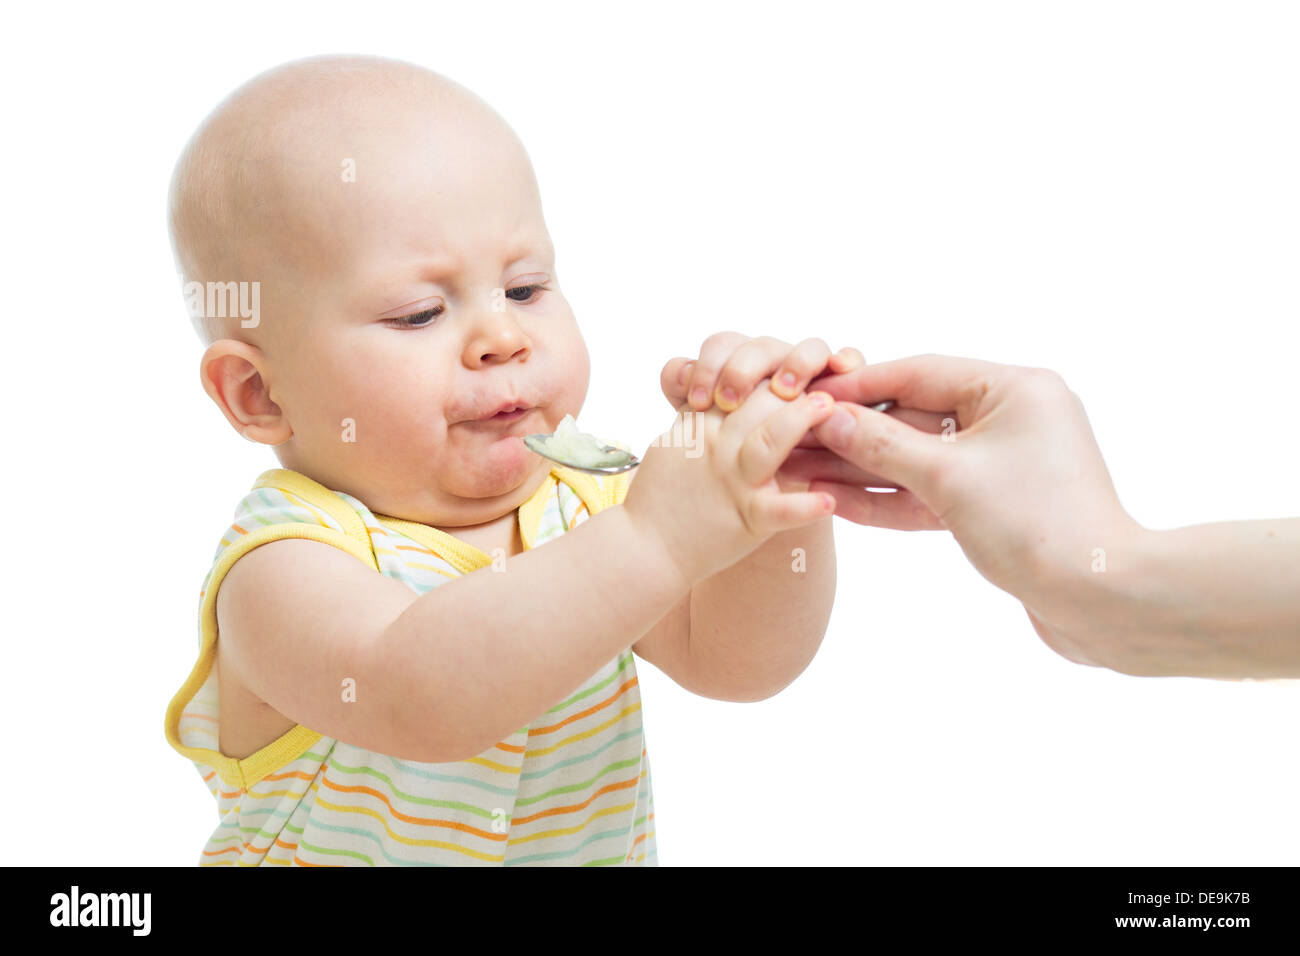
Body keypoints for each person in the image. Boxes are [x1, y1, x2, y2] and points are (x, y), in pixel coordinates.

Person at [162, 54, 847, 866]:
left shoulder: (587, 505)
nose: (504, 336)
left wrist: (771, 506)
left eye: (524, 289)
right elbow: (418, 697)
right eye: (420, 313)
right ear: (259, 394)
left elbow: (736, 663)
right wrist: (656, 541)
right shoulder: (281, 566)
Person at [662, 347, 1300, 680]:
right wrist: (649, 539)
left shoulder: (605, 493)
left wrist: (779, 488)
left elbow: (733, 663)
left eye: (554, 288)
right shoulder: (624, 523)